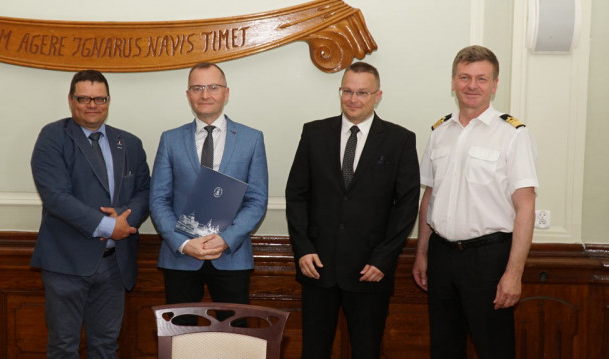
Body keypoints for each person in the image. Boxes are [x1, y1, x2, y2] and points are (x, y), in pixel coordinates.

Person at [285, 62, 420, 358]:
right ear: (340, 92)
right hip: (317, 265)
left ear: (377, 95)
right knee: (314, 350)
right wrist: (303, 248)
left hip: (369, 270)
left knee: (366, 350)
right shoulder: (314, 133)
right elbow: (296, 195)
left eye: (362, 92)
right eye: (347, 91)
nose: (353, 99)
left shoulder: (400, 140)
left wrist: (383, 259)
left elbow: (407, 206)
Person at [412, 45, 539, 359]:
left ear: (495, 85)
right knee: (444, 347)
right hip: (441, 256)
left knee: (494, 348)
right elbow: (429, 196)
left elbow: (526, 206)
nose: (472, 85)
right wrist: (422, 253)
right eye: (464, 77)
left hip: (489, 259)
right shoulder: (439, 132)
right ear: (453, 81)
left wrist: (514, 274)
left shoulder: (513, 135)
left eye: (481, 79)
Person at [30, 69, 151, 358]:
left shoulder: (129, 143)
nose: (92, 105)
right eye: (84, 98)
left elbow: (146, 192)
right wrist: (109, 226)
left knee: (106, 347)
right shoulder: (53, 136)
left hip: (113, 267)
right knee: (63, 347)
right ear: (71, 100)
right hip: (66, 264)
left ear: (108, 101)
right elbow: (56, 197)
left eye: (99, 98)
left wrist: (124, 218)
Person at [150, 62, 268, 311]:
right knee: (180, 337)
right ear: (188, 95)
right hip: (180, 257)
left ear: (226, 93)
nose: (205, 95)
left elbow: (257, 199)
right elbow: (159, 199)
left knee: (234, 337)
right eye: (197, 88)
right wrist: (183, 243)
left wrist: (226, 239)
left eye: (213, 87)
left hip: (231, 257)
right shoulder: (170, 139)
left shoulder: (252, 139)